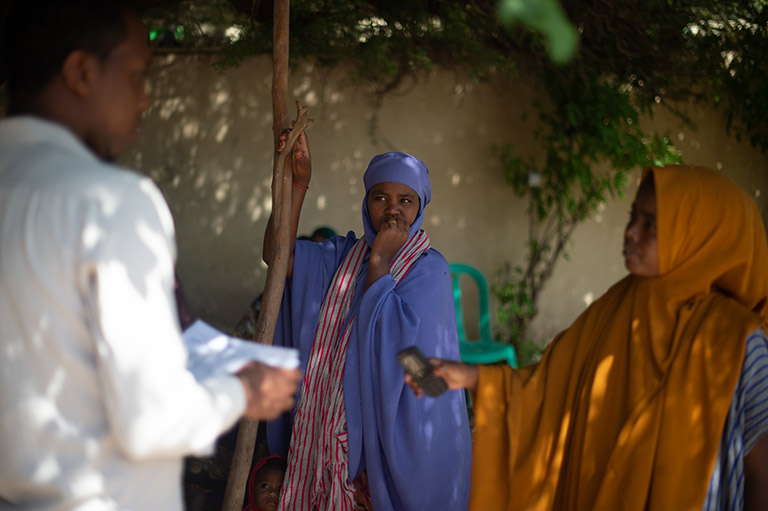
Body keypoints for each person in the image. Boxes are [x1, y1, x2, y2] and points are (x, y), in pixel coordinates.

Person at [0, 2, 301, 510]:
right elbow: (149, 420)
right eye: (137, 76)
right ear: (80, 72)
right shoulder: (110, 201)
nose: (145, 101)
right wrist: (245, 392)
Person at [408, 165, 768, 510]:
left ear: (699, 240)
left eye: (652, 224)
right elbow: (548, 389)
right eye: (633, 216)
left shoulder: (737, 341)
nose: (630, 231)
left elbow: (760, 469)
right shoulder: (620, 306)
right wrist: (470, 377)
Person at [263, 147, 472, 510]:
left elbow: (413, 362)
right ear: (366, 203)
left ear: (420, 206)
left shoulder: (430, 271)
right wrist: (298, 185)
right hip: (326, 429)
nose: (393, 210)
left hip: (386, 431)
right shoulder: (342, 256)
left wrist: (380, 261)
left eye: (405, 199)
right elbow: (278, 257)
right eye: (380, 198)